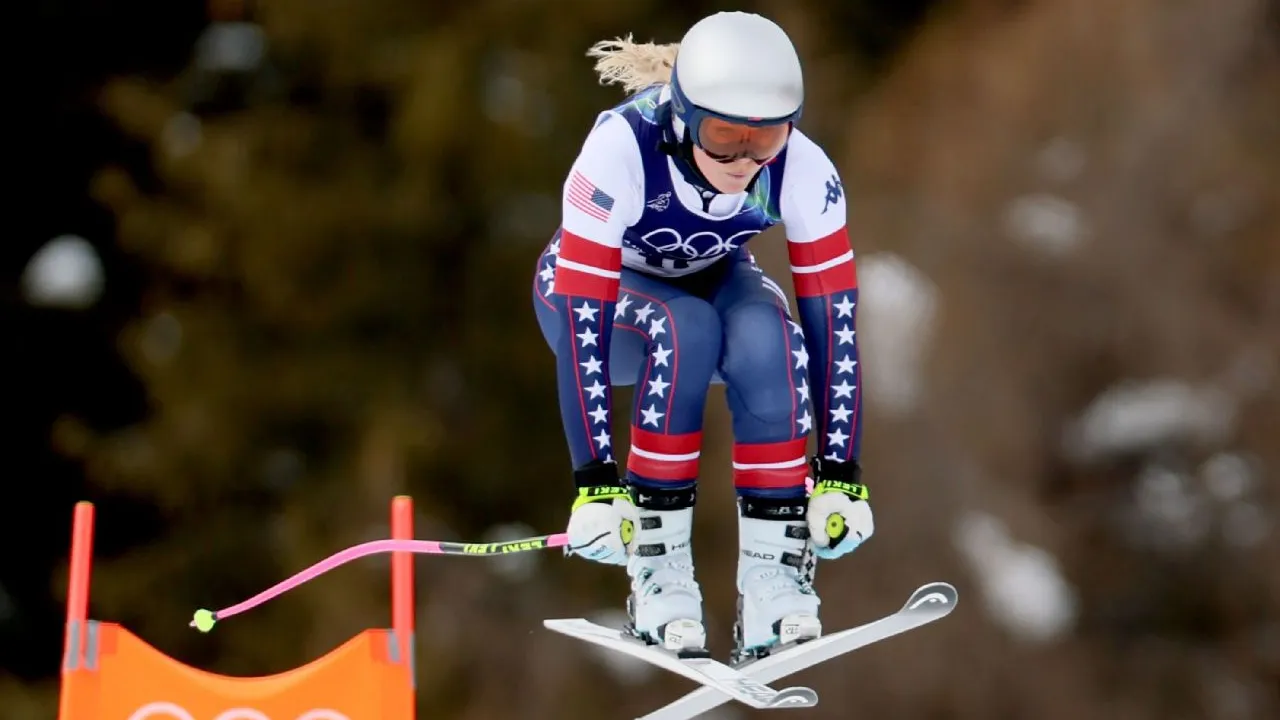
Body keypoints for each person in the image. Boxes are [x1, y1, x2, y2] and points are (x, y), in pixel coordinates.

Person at [531, 11, 875, 662]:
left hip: (712, 280)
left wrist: (840, 476)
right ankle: (659, 572)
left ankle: (774, 579)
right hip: (599, 306)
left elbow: (835, 321)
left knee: (766, 333)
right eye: (723, 136)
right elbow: (583, 322)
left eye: (765, 139)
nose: (744, 161)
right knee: (684, 326)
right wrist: (596, 484)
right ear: (683, 115)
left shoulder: (801, 167)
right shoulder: (621, 148)